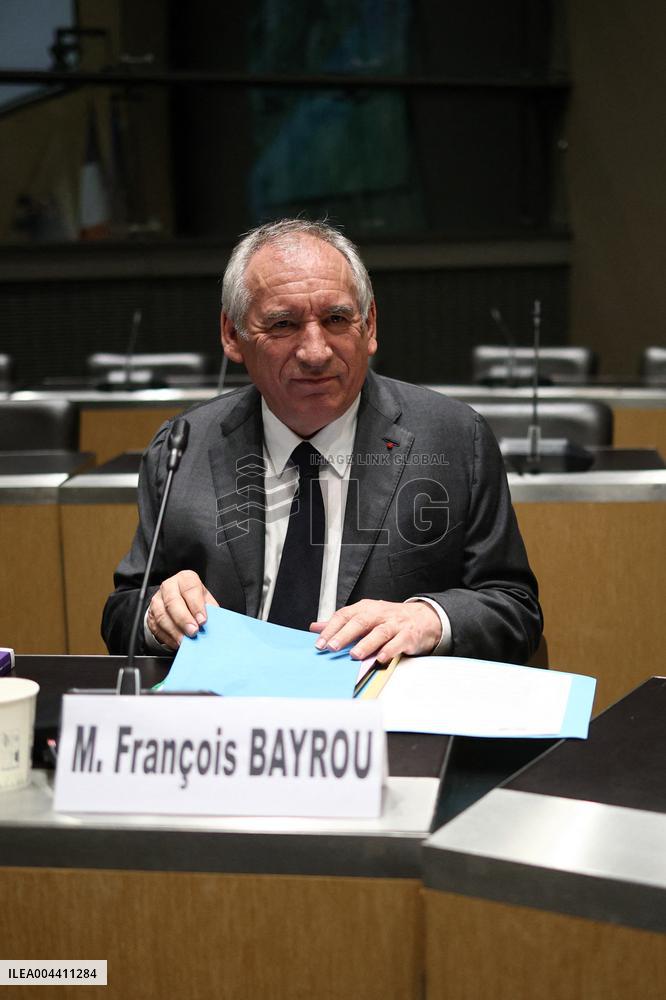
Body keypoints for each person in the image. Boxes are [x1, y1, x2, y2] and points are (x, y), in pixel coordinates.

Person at [102, 219, 542, 664]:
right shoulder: (183, 446)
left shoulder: (453, 439)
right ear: (232, 335)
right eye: (283, 324)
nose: (315, 352)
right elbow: (124, 610)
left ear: (368, 325)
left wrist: (429, 618)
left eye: (336, 319)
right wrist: (158, 615)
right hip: (231, 716)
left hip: (385, 718)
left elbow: (515, 609)